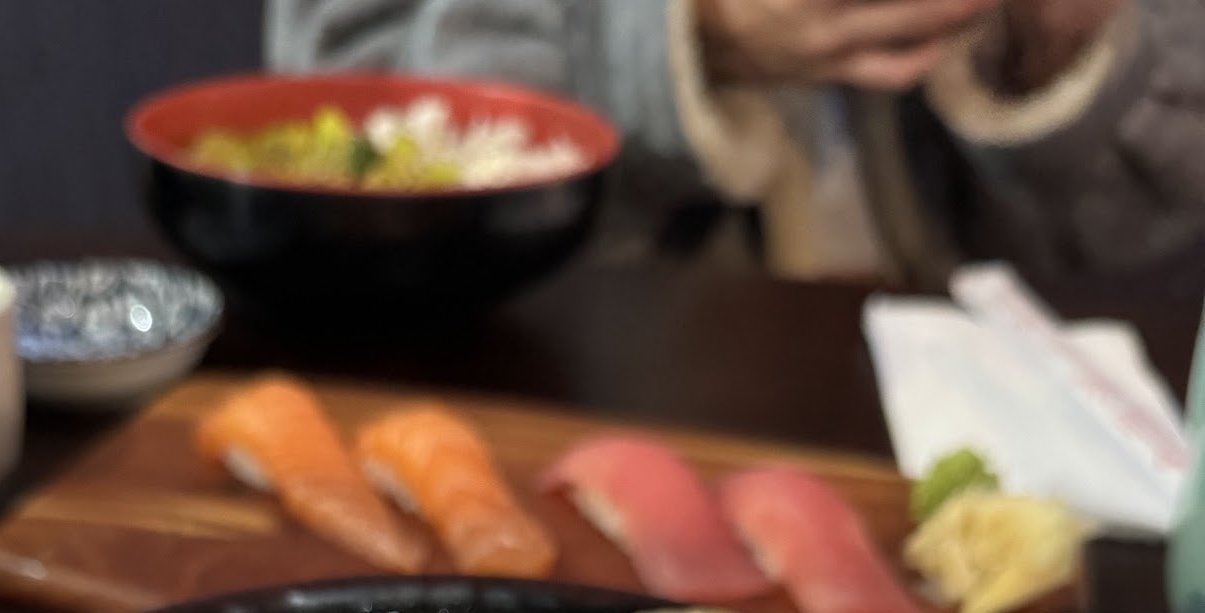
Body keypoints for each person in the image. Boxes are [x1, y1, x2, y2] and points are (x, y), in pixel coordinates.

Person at [265, 0, 1205, 289]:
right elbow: (353, 98)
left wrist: (1063, 52)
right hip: (571, 360)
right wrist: (685, 41)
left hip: (982, 385)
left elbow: (1150, 235)